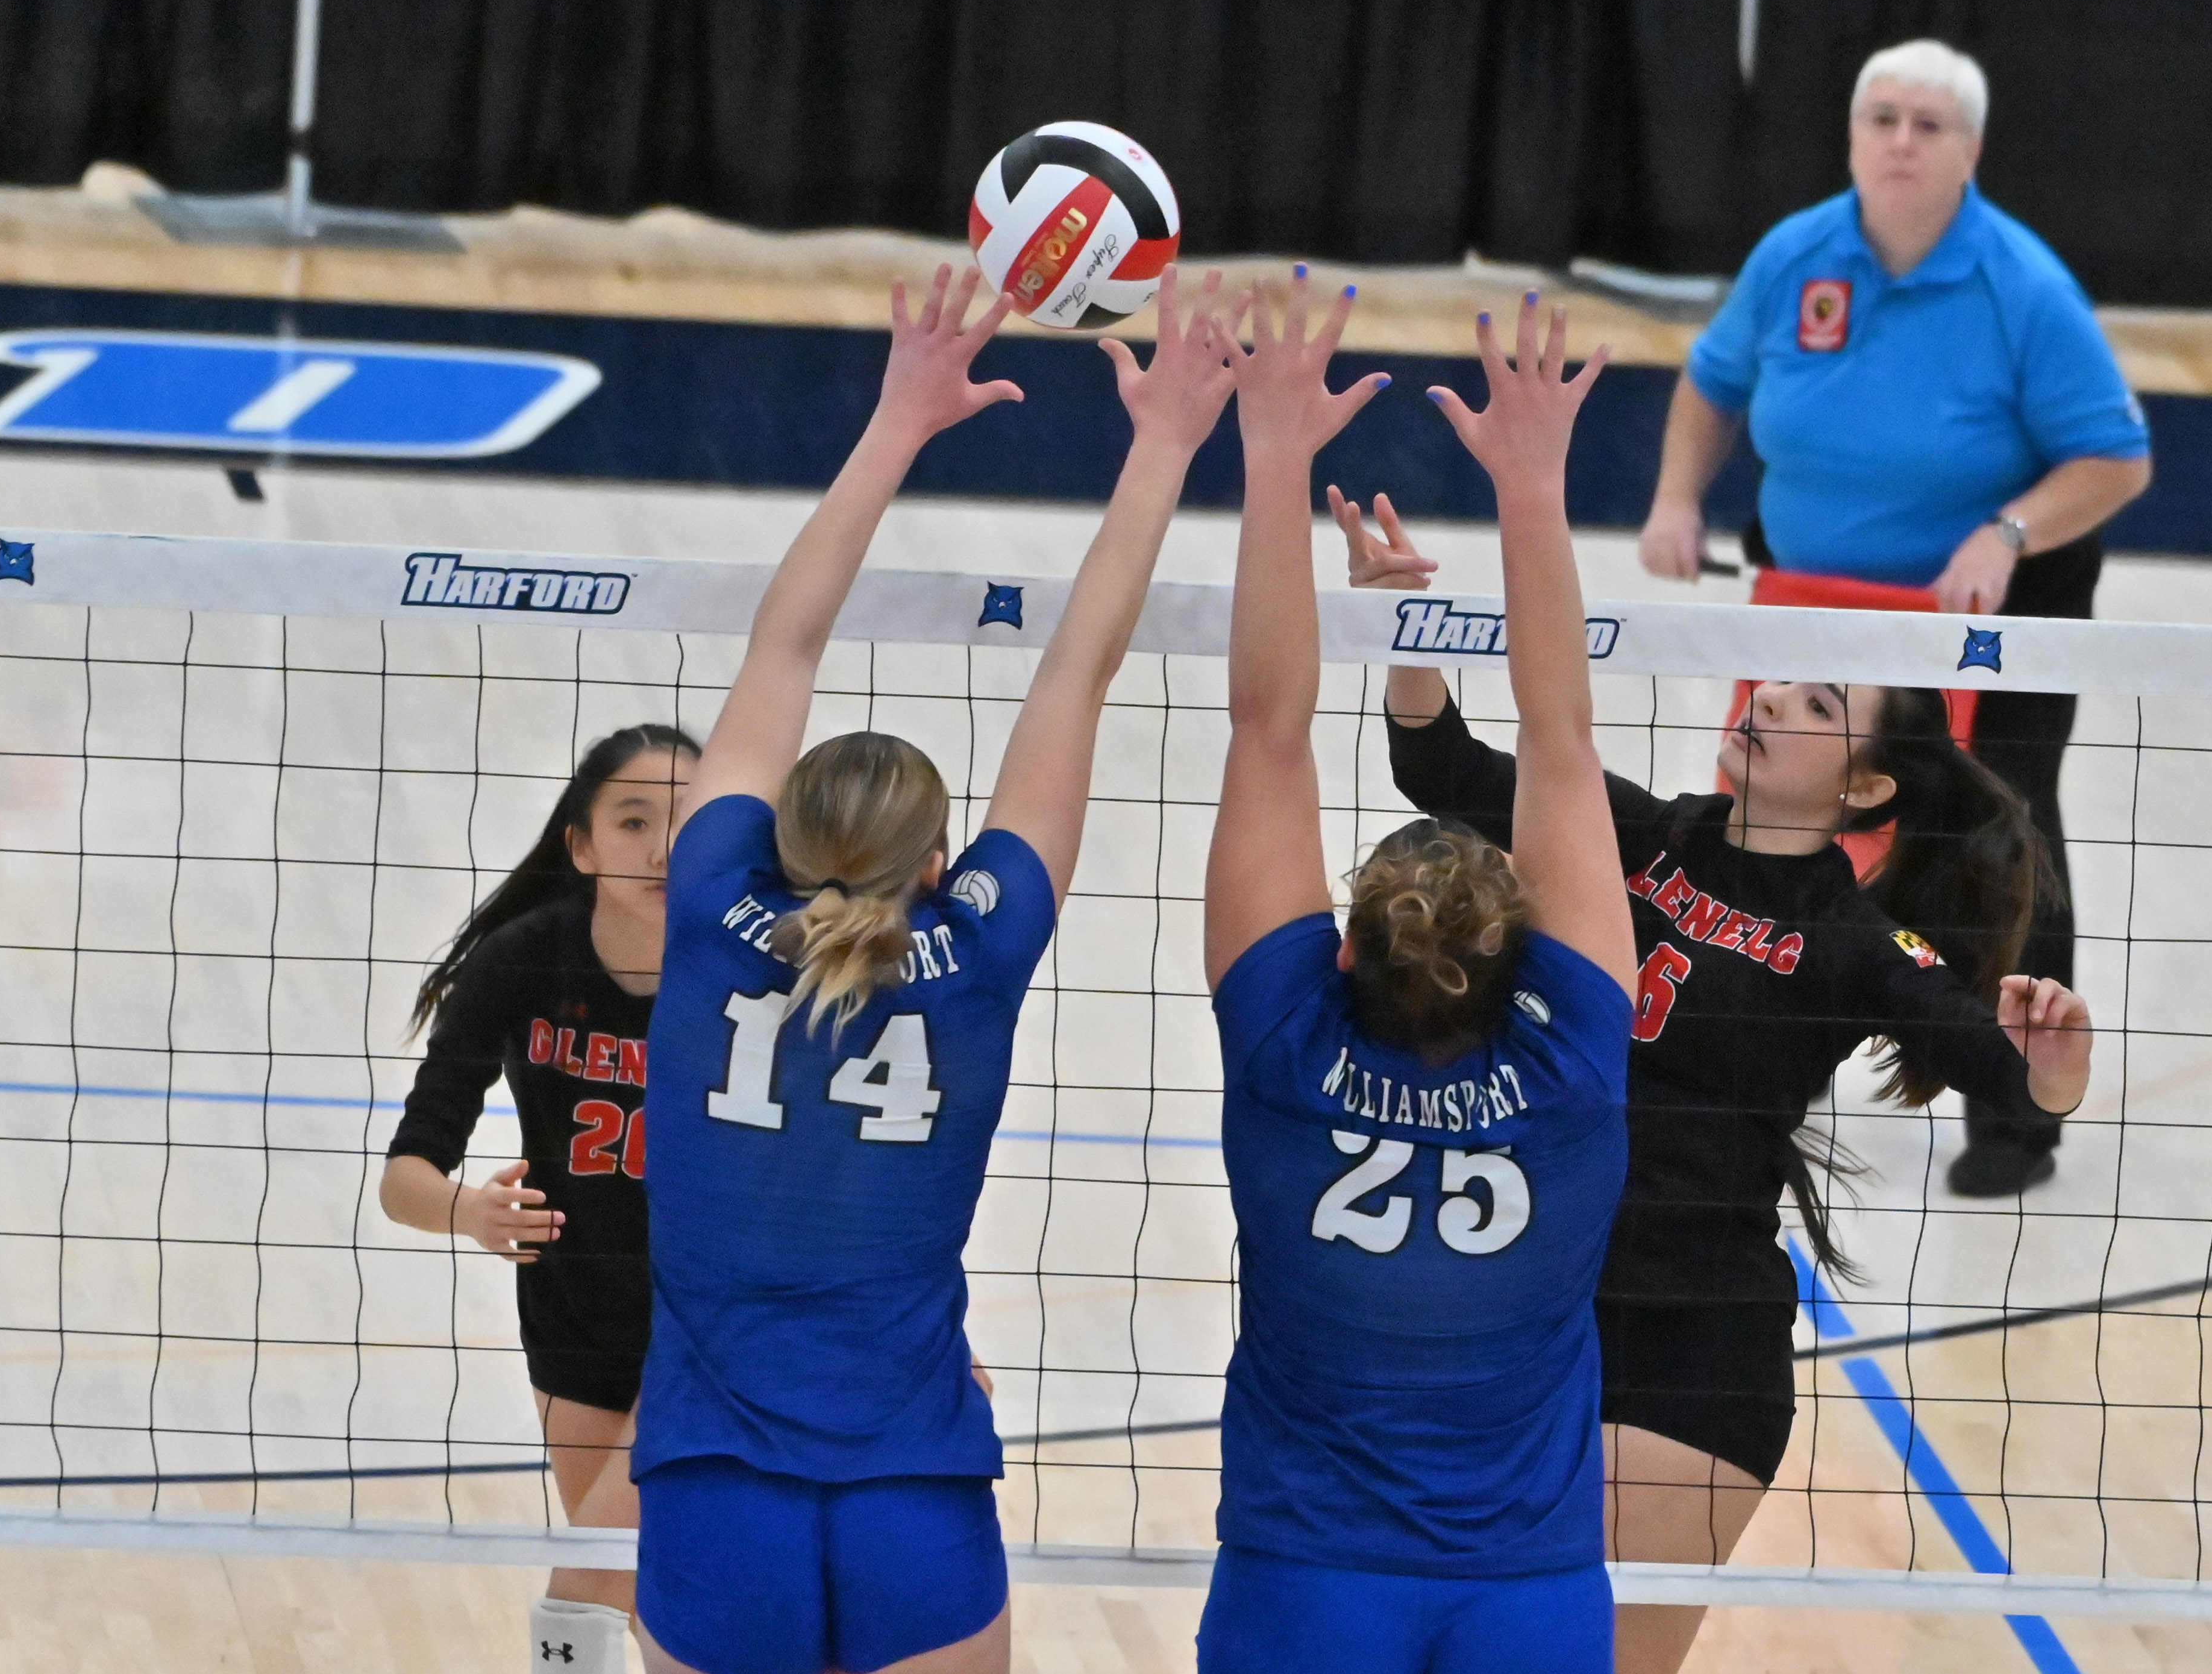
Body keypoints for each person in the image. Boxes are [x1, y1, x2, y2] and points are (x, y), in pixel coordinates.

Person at [1339, 492, 2095, 1674]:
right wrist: (1404, 629)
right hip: (1530, 1298)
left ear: (1862, 790)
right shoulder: (1638, 836)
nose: (1771, 699)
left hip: (1695, 1343)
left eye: (1818, 704)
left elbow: (1999, 1071)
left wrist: (2053, 1064)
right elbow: (1439, 763)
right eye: (1777, 681)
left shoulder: (1853, 944)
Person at [630, 262, 1241, 1674]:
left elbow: (783, 642)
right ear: (935, 863)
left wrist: (896, 419)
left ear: (778, 830)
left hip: (717, 1484)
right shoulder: (976, 949)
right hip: (913, 1481)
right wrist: (1162, 443)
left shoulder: (706, 902)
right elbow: (1074, 674)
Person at [1197, 278, 1637, 1674]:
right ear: (1520, 958)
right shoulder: (1571, 1065)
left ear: (1341, 952)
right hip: (1527, 1597)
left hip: (1302, 1584)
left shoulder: (1285, 1045)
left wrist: (1272, 451)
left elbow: (1267, 728)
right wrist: (1532, 484)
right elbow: (1561, 741)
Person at [1635, 36, 2151, 1197]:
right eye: (1882, 119)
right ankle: (1758, 1043)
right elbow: (1713, 382)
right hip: (1814, 601)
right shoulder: (1795, 253)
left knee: (1999, 839)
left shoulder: (2022, 285)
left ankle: (2014, 1109)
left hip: (1990, 615)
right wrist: (1675, 498)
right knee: (1773, 813)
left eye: (1928, 124)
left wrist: (2005, 531)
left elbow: (2115, 459)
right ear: (1852, 134)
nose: (1901, 142)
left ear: (1970, 148)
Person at [384, 719, 698, 1674]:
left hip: (712, 1318)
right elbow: (405, 1176)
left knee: (596, 1585)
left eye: (689, 822)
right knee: (644, 1596)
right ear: (582, 845)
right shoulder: (526, 959)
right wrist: (466, 1210)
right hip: (576, 1316)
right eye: (633, 821)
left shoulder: (756, 965)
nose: (663, 848)